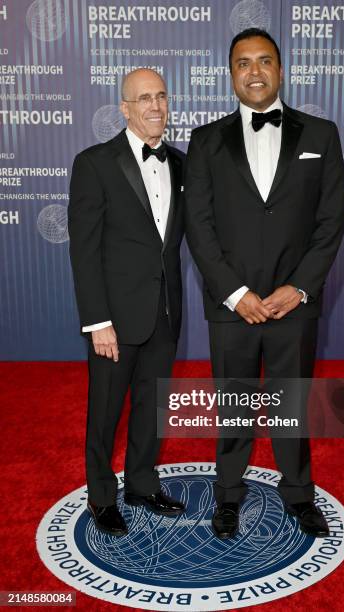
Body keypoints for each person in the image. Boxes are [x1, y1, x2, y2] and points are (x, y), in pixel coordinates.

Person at [185, 29, 344, 539]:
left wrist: (298, 287)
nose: (254, 72)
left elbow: (331, 221)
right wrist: (236, 294)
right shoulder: (206, 140)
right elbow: (199, 225)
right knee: (232, 404)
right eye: (242, 63)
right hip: (231, 306)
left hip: (293, 304)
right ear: (230, 74)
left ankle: (298, 493)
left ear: (281, 69)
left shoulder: (321, 135)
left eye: (264, 62)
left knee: (289, 405)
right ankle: (228, 496)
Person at [68, 68, 185, 536]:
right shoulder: (94, 163)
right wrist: (98, 321)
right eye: (143, 99)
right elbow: (84, 249)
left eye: (161, 96)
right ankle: (101, 495)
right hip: (114, 319)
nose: (155, 106)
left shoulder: (180, 163)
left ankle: (141, 482)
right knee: (105, 412)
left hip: (165, 311)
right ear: (124, 108)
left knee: (151, 408)